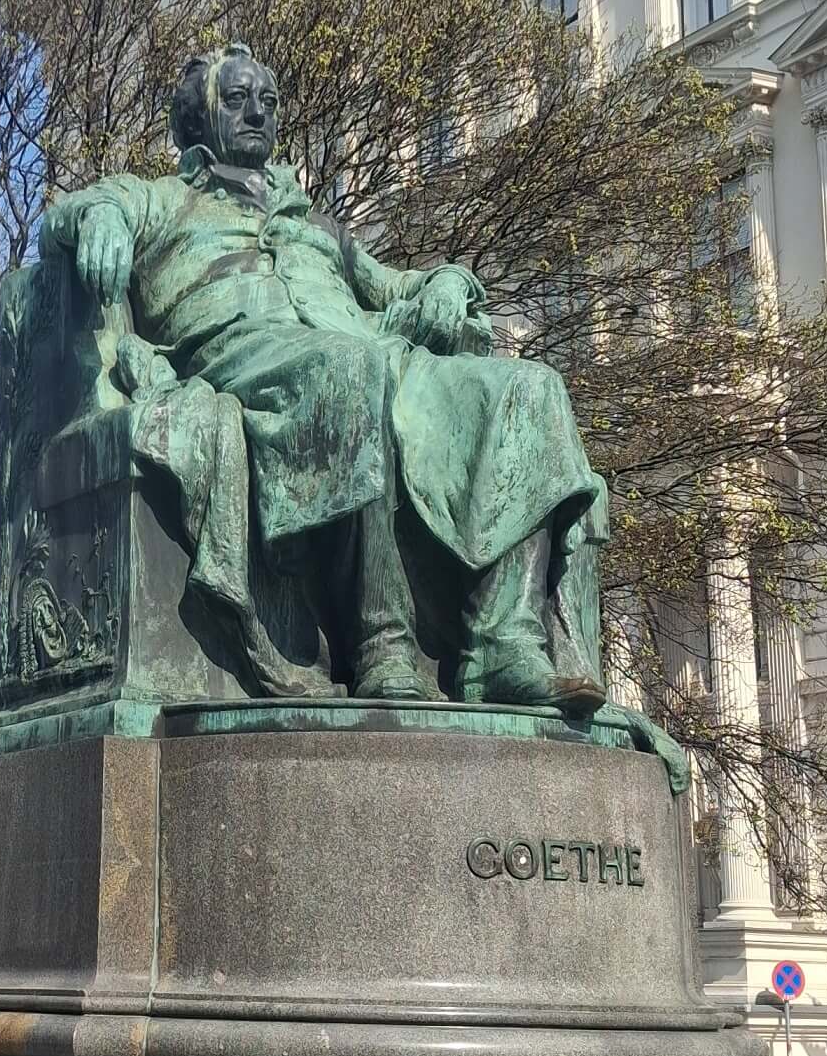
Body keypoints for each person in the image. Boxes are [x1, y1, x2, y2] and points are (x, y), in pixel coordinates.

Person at [40, 43, 608, 710]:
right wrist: (103, 217)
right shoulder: (163, 200)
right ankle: (381, 645)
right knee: (352, 369)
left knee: (529, 390)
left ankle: (504, 644)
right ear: (196, 120)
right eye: (237, 100)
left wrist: (451, 281)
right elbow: (73, 211)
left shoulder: (317, 227)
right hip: (244, 356)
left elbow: (396, 288)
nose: (257, 113)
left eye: (268, 101)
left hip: (371, 356)